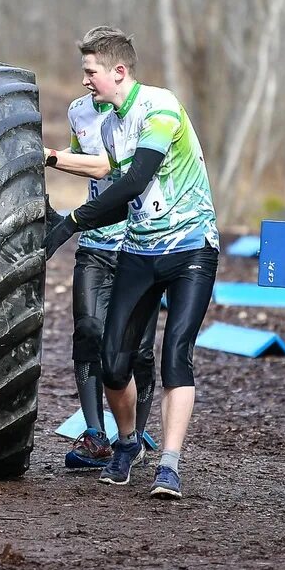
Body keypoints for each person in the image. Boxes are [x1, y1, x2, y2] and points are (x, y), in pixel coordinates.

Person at [44, 26, 220, 500]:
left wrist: (70, 222)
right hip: (140, 249)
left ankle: (169, 463)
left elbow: (137, 179)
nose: (84, 81)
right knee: (113, 362)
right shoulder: (107, 121)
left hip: (191, 249)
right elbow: (126, 201)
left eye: (91, 72)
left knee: (174, 353)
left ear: (119, 72)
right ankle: (126, 443)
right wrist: (69, 227)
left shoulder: (159, 108)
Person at [44, 92, 159, 470]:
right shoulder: (78, 109)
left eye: (91, 71)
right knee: (88, 331)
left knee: (139, 350)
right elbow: (82, 158)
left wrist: (50, 156)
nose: (85, 80)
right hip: (94, 244)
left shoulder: (146, 112)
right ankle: (95, 435)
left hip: (139, 244)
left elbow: (104, 167)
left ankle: (134, 436)